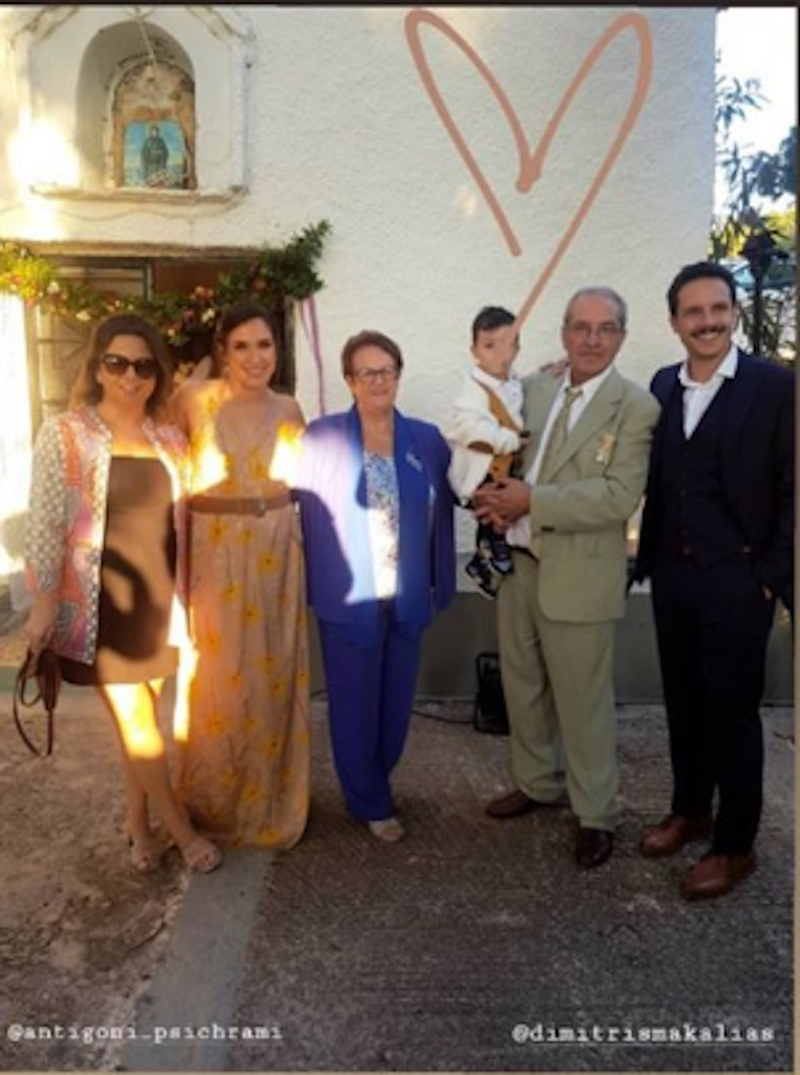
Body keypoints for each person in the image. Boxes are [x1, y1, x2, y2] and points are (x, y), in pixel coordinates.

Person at [24, 313, 221, 875]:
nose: (130, 376)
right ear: (97, 368)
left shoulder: (169, 439)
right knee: (138, 721)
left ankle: (138, 824)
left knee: (142, 721)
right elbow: (44, 521)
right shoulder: (66, 433)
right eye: (117, 364)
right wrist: (43, 601)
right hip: (99, 602)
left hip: (158, 599)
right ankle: (180, 830)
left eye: (142, 366)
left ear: (157, 375)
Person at [474, 287, 660, 868]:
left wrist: (532, 500)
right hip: (520, 569)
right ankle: (537, 783)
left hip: (580, 576)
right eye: (581, 327)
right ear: (564, 333)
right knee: (523, 687)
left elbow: (619, 495)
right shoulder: (534, 387)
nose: (592, 339)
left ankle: (596, 813)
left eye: (606, 329)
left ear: (622, 336)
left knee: (583, 704)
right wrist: (490, 496)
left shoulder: (636, 407)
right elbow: (498, 448)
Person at [633, 261, 794, 900]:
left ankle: (734, 845)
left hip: (739, 579)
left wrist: (768, 576)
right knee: (684, 702)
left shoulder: (776, 386)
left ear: (734, 312)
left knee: (732, 714)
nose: (708, 322)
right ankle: (691, 809)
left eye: (718, 308)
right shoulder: (662, 385)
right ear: (675, 322)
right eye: (693, 312)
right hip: (673, 574)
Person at [294, 330, 455, 842]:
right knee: (353, 704)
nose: (378, 381)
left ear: (398, 375)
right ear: (350, 380)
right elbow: (294, 505)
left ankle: (376, 783)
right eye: (367, 373)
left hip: (406, 593)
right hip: (350, 597)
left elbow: (457, 497)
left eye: (386, 371)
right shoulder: (322, 438)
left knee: (395, 703)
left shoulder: (426, 440)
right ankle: (368, 800)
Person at [170, 303, 310, 849]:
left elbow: (302, 481)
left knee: (272, 677)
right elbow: (157, 463)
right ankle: (212, 805)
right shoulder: (192, 399)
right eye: (242, 346)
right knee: (215, 681)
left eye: (265, 345)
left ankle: (270, 802)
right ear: (223, 352)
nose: (255, 357)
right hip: (214, 553)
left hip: (277, 553)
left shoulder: (289, 408)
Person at [445, 306, 527, 599]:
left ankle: (483, 562)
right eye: (489, 346)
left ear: (517, 348)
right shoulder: (474, 388)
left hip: (504, 465)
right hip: (482, 467)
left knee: (505, 507)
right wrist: (509, 441)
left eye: (506, 345)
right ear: (475, 351)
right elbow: (470, 430)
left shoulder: (514, 384)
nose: (498, 354)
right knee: (492, 506)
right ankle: (487, 556)